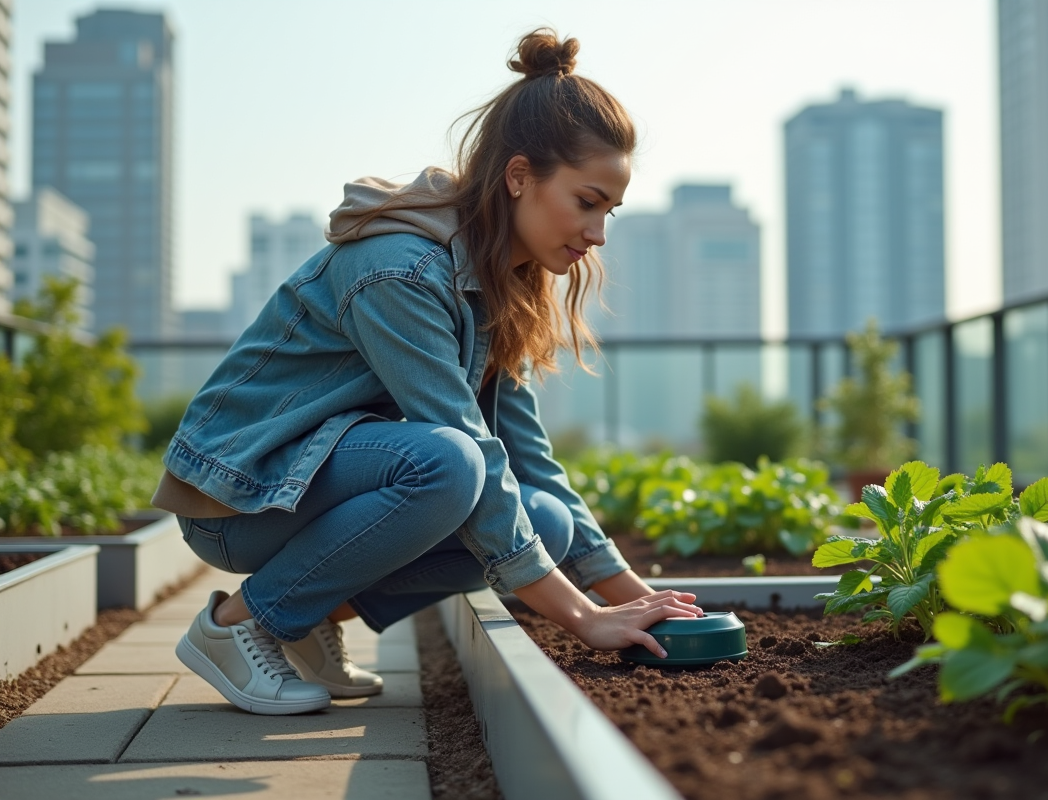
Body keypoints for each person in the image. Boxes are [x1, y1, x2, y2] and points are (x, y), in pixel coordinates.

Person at [152, 29, 703, 716]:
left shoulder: (501, 278)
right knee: (449, 463)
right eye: (587, 202)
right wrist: (583, 619)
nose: (598, 234)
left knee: (545, 522)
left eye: (609, 212)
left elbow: (524, 453)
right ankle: (238, 626)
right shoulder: (400, 269)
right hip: (240, 498)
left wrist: (629, 595)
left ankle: (304, 618)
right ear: (519, 177)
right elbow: (460, 438)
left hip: (314, 489)